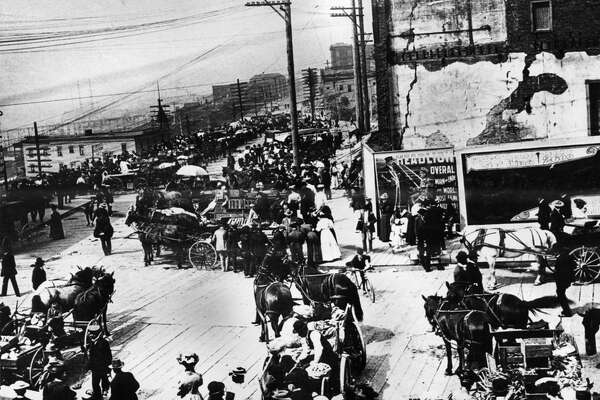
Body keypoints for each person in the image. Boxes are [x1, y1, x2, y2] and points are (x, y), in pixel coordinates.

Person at [87, 324, 112, 399]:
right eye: (90, 333)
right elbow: (91, 356)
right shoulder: (92, 342)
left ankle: (105, 391)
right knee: (95, 383)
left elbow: (108, 356)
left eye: (92, 334)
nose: (90, 335)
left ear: (97, 334)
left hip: (103, 367)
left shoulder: (104, 343)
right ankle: (96, 396)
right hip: (95, 368)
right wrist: (89, 366)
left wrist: (108, 368)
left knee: (104, 380)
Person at [554, 251, 575, 317]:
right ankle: (566, 310)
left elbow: (557, 270)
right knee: (561, 294)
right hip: (567, 279)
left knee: (560, 294)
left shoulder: (559, 260)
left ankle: (567, 312)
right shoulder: (569, 257)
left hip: (561, 280)